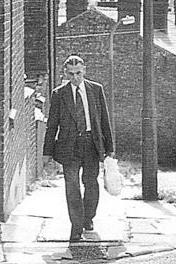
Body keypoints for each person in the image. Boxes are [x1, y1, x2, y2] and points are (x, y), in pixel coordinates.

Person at [43, 55, 115, 242]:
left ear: (84, 71)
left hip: (91, 144)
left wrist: (110, 148)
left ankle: (88, 218)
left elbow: (104, 121)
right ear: (65, 73)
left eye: (78, 73)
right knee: (72, 186)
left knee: (91, 183)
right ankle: (76, 229)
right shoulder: (59, 94)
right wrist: (47, 152)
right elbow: (52, 125)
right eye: (71, 74)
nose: (75, 77)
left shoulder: (96, 90)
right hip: (69, 147)